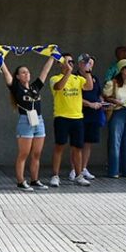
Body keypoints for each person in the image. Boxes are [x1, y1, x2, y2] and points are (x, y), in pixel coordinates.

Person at [0, 56, 53, 191]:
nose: (27, 74)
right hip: (25, 121)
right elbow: (6, 73)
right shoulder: (16, 88)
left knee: (37, 153)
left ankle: (35, 180)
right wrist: (1, 61)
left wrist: (53, 56)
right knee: (24, 153)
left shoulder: (35, 87)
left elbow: (45, 71)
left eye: (28, 72)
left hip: (38, 120)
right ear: (17, 76)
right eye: (23, 72)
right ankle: (20, 181)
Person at [49, 53, 93, 187]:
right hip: (62, 117)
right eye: (67, 62)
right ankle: (55, 175)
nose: (70, 64)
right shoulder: (54, 78)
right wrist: (67, 72)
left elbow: (89, 87)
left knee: (77, 148)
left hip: (77, 118)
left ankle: (79, 175)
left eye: (72, 62)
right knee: (59, 146)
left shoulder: (78, 79)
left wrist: (87, 71)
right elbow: (58, 87)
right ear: (60, 64)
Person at [103, 59, 126, 178]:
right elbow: (105, 96)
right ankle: (114, 170)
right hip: (117, 112)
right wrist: (115, 101)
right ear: (120, 70)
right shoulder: (112, 83)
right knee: (115, 142)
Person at [71, 58, 105, 181]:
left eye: (91, 63)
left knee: (88, 142)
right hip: (79, 113)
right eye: (86, 63)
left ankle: (84, 167)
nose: (89, 65)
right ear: (80, 64)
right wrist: (89, 104)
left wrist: (101, 102)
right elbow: (75, 96)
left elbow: (98, 94)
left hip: (94, 114)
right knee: (77, 142)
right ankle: (74, 169)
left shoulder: (94, 77)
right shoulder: (74, 77)